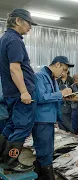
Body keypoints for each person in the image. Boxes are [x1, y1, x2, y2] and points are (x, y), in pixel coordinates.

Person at [0, 8, 38, 172]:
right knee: (22, 126)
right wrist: (24, 91)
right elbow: (15, 68)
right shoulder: (15, 40)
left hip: (11, 93)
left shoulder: (5, 38)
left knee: (11, 125)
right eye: (28, 23)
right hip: (19, 94)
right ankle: (12, 162)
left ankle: (2, 155)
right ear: (18, 21)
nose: (30, 27)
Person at [32, 56, 73, 179]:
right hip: (41, 120)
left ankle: (40, 175)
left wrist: (63, 97)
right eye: (64, 69)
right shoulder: (39, 76)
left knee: (47, 151)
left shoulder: (52, 79)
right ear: (57, 64)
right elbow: (41, 97)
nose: (63, 73)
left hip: (49, 119)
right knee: (44, 152)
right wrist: (61, 93)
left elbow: (52, 97)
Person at [56, 68, 74, 133]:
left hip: (70, 103)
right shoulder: (57, 80)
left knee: (70, 121)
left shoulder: (71, 80)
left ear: (67, 71)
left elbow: (74, 90)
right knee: (61, 120)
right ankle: (64, 134)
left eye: (63, 71)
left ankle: (73, 134)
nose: (62, 73)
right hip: (60, 103)